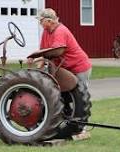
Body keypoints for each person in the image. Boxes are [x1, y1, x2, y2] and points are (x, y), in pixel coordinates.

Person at [30, 8, 92, 136]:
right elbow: (44, 51)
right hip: (64, 68)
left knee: (80, 98)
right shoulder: (46, 32)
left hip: (78, 67)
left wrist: (41, 58)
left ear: (49, 21)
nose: (40, 24)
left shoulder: (60, 31)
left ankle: (82, 128)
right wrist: (37, 65)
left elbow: (56, 51)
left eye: (41, 21)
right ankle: (64, 122)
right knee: (61, 94)